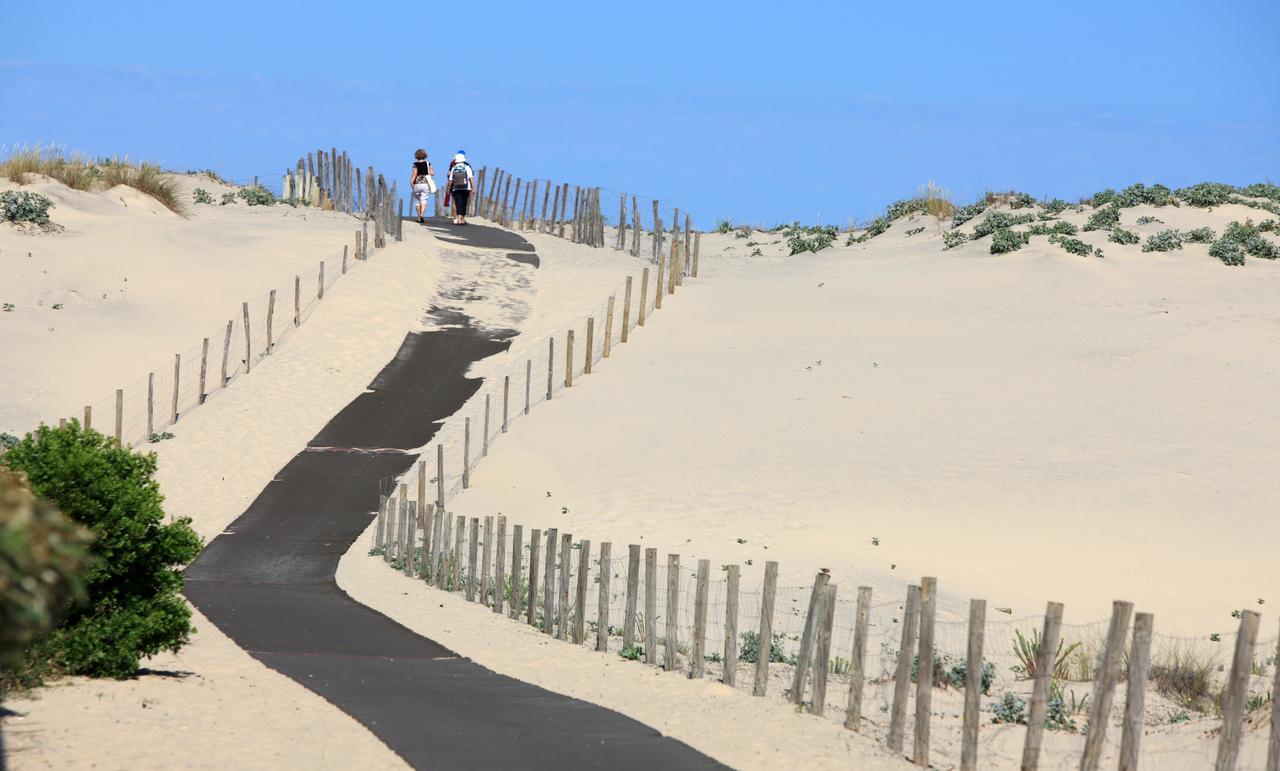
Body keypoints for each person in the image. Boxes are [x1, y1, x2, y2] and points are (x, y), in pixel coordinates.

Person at [445, 151, 474, 225]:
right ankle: (462, 219)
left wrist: (448, 188)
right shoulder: (467, 167)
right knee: (464, 203)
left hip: (456, 188)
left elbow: (450, 179)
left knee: (458, 203)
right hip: (466, 188)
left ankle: (458, 218)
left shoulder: (454, 167)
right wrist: (473, 187)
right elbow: (471, 178)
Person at [410, 149, 435, 224]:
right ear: (425, 155)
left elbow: (414, 174)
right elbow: (432, 173)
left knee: (417, 201)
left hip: (417, 184)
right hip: (425, 184)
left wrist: (411, 181)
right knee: (424, 199)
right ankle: (422, 214)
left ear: (416, 156)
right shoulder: (428, 163)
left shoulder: (415, 164)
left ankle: (418, 217)